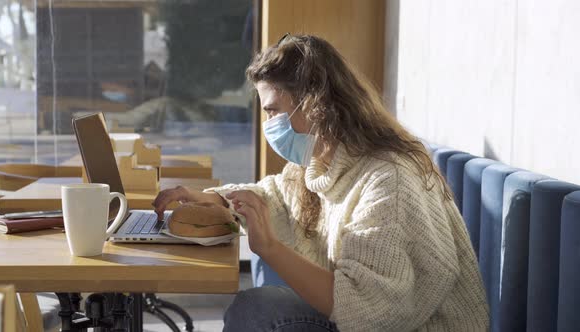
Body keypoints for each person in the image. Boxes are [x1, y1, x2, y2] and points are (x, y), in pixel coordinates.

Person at [152, 34, 489, 331]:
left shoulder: (390, 180)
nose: (269, 125)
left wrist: (269, 247)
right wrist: (213, 200)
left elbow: (373, 312)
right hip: (363, 321)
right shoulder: (321, 160)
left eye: (272, 111)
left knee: (259, 310)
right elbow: (277, 197)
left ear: (315, 104)